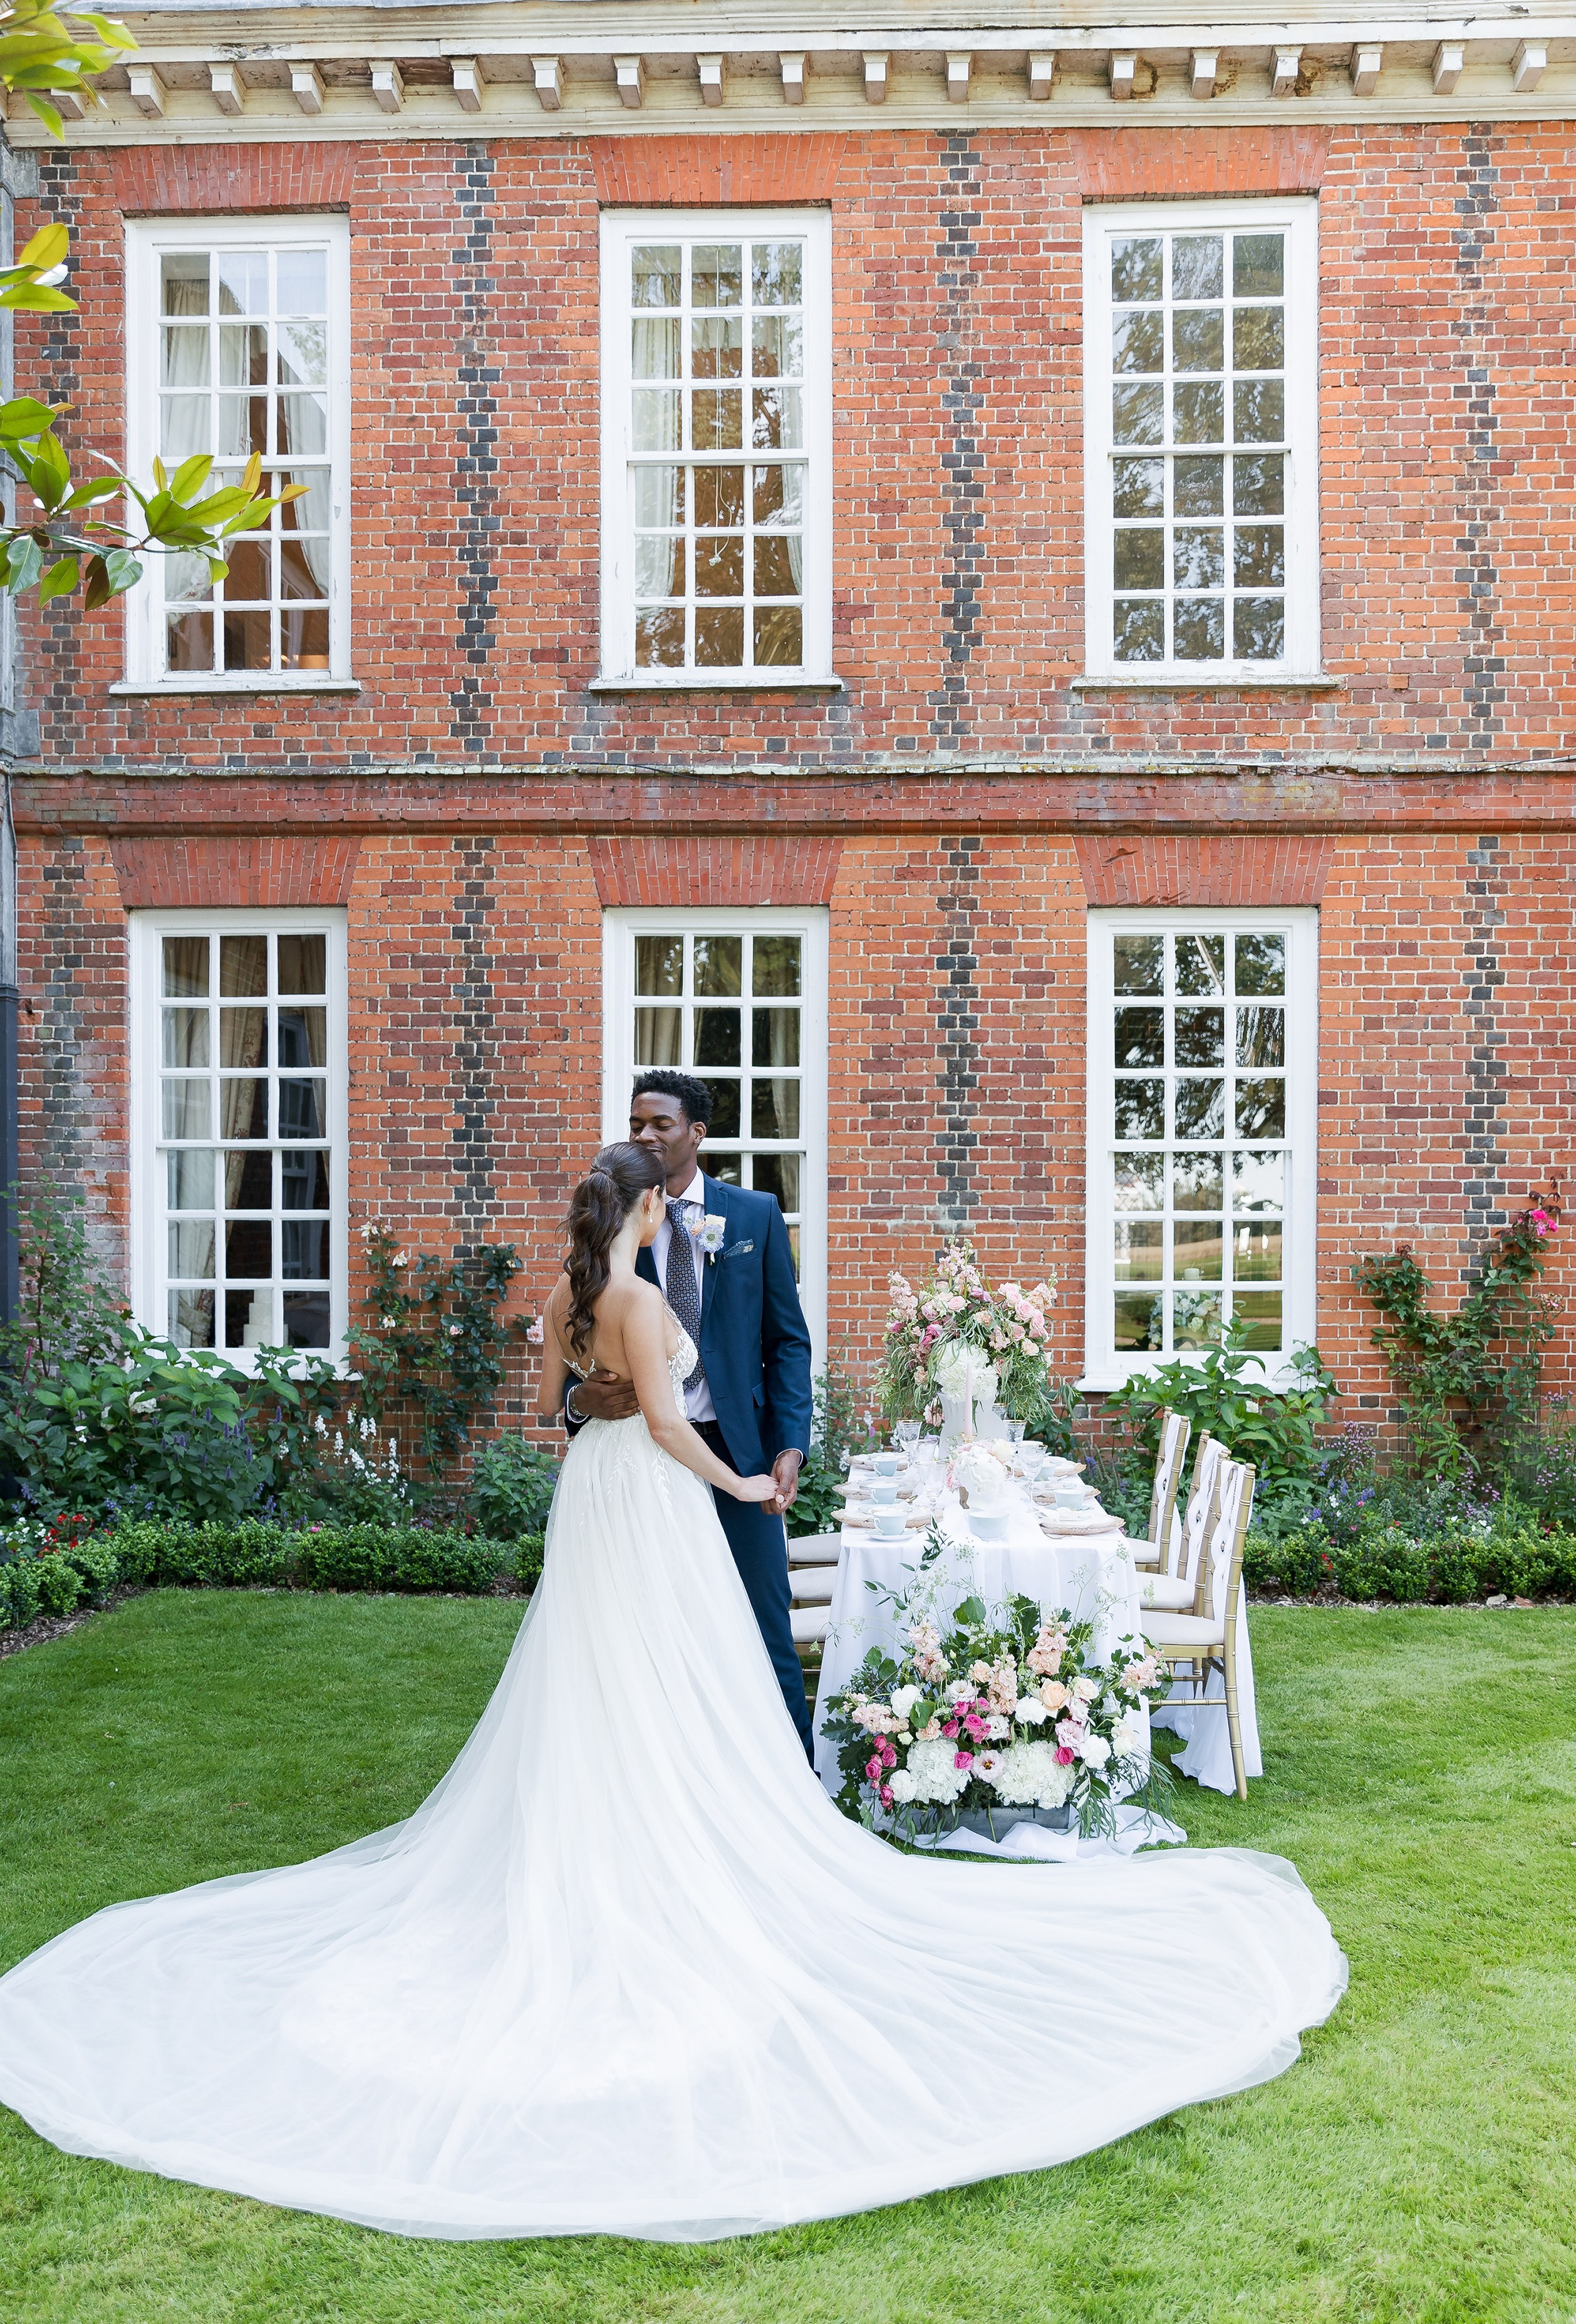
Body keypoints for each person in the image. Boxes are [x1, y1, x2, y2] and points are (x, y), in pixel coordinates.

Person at [0, 1145, 1347, 2244]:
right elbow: (662, 1424)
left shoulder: (561, 1304)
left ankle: (615, 1822)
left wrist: (626, 1417)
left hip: (586, 1506)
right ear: (647, 1207)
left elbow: (561, 1410)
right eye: (660, 1197)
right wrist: (745, 1485)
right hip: (647, 1495)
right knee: (662, 1665)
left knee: (596, 1667)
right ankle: (670, 1842)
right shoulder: (642, 1302)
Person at [564, 1069, 815, 1754]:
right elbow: (573, 1361)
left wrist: (789, 1443)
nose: (643, 1134)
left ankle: (797, 1774)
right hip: (646, 1456)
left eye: (660, 1124)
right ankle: (682, 1775)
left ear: (696, 1133)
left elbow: (787, 1341)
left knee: (764, 1620)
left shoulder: (755, 1214)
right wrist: (580, 1399)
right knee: (648, 1625)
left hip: (739, 1451)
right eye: (635, 1123)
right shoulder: (608, 1224)